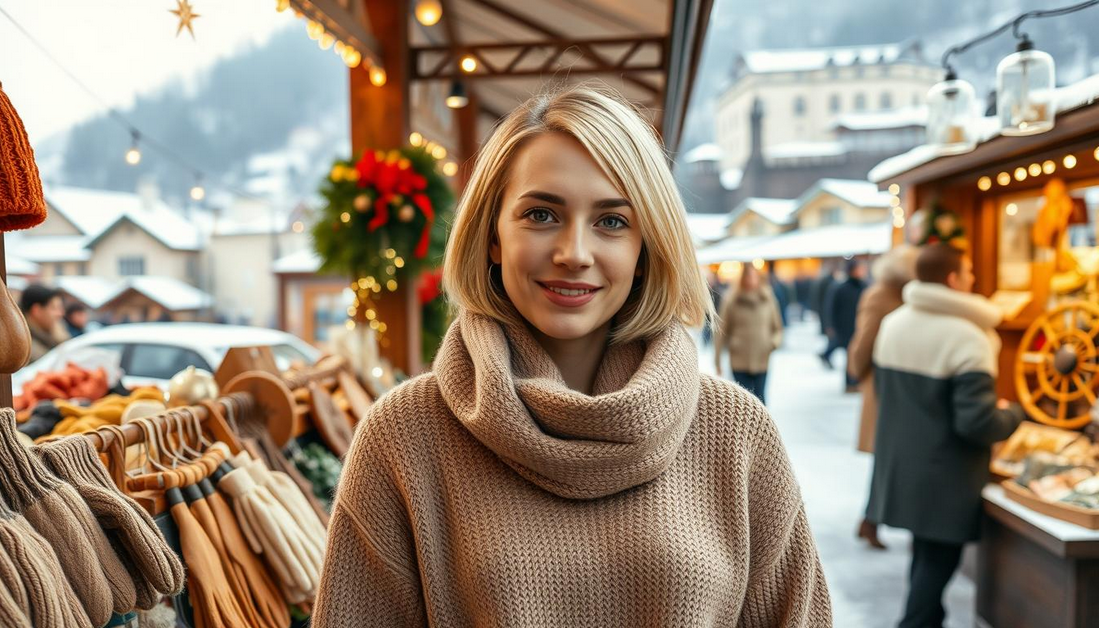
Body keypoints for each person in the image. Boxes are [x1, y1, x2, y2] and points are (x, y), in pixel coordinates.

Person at [313, 85, 831, 626]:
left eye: (611, 221)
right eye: (540, 215)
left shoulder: (737, 433)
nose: (573, 254)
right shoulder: (404, 435)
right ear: (492, 235)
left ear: (645, 247)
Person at [868, 243, 1023, 628]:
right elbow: (977, 424)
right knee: (936, 566)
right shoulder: (969, 337)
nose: (973, 280)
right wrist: (1013, 414)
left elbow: (885, 397)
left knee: (924, 560)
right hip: (947, 478)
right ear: (953, 279)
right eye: (969, 272)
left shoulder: (895, 321)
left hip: (902, 466)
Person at [846, 245, 918, 550]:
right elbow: (863, 343)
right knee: (887, 458)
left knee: (893, 458)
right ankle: (870, 521)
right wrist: (859, 371)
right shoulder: (881, 295)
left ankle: (872, 521)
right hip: (882, 386)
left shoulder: (903, 295)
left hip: (899, 385)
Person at [713, 265, 783, 404]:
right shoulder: (732, 299)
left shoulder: (767, 298)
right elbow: (721, 331)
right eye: (747, 276)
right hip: (739, 359)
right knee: (743, 403)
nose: (750, 279)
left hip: (762, 358)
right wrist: (717, 360)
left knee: (761, 400)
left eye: (753, 276)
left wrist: (773, 343)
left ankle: (762, 426)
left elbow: (778, 328)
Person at [821, 259, 867, 389]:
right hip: (844, 327)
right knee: (849, 356)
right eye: (860, 268)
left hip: (860, 327)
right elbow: (830, 307)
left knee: (857, 355)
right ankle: (850, 383)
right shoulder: (840, 287)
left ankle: (856, 381)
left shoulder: (865, 286)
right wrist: (830, 326)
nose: (863, 271)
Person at [19, 284, 67, 363]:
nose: (61, 313)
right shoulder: (23, 347)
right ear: (36, 310)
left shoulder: (55, 332)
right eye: (54, 308)